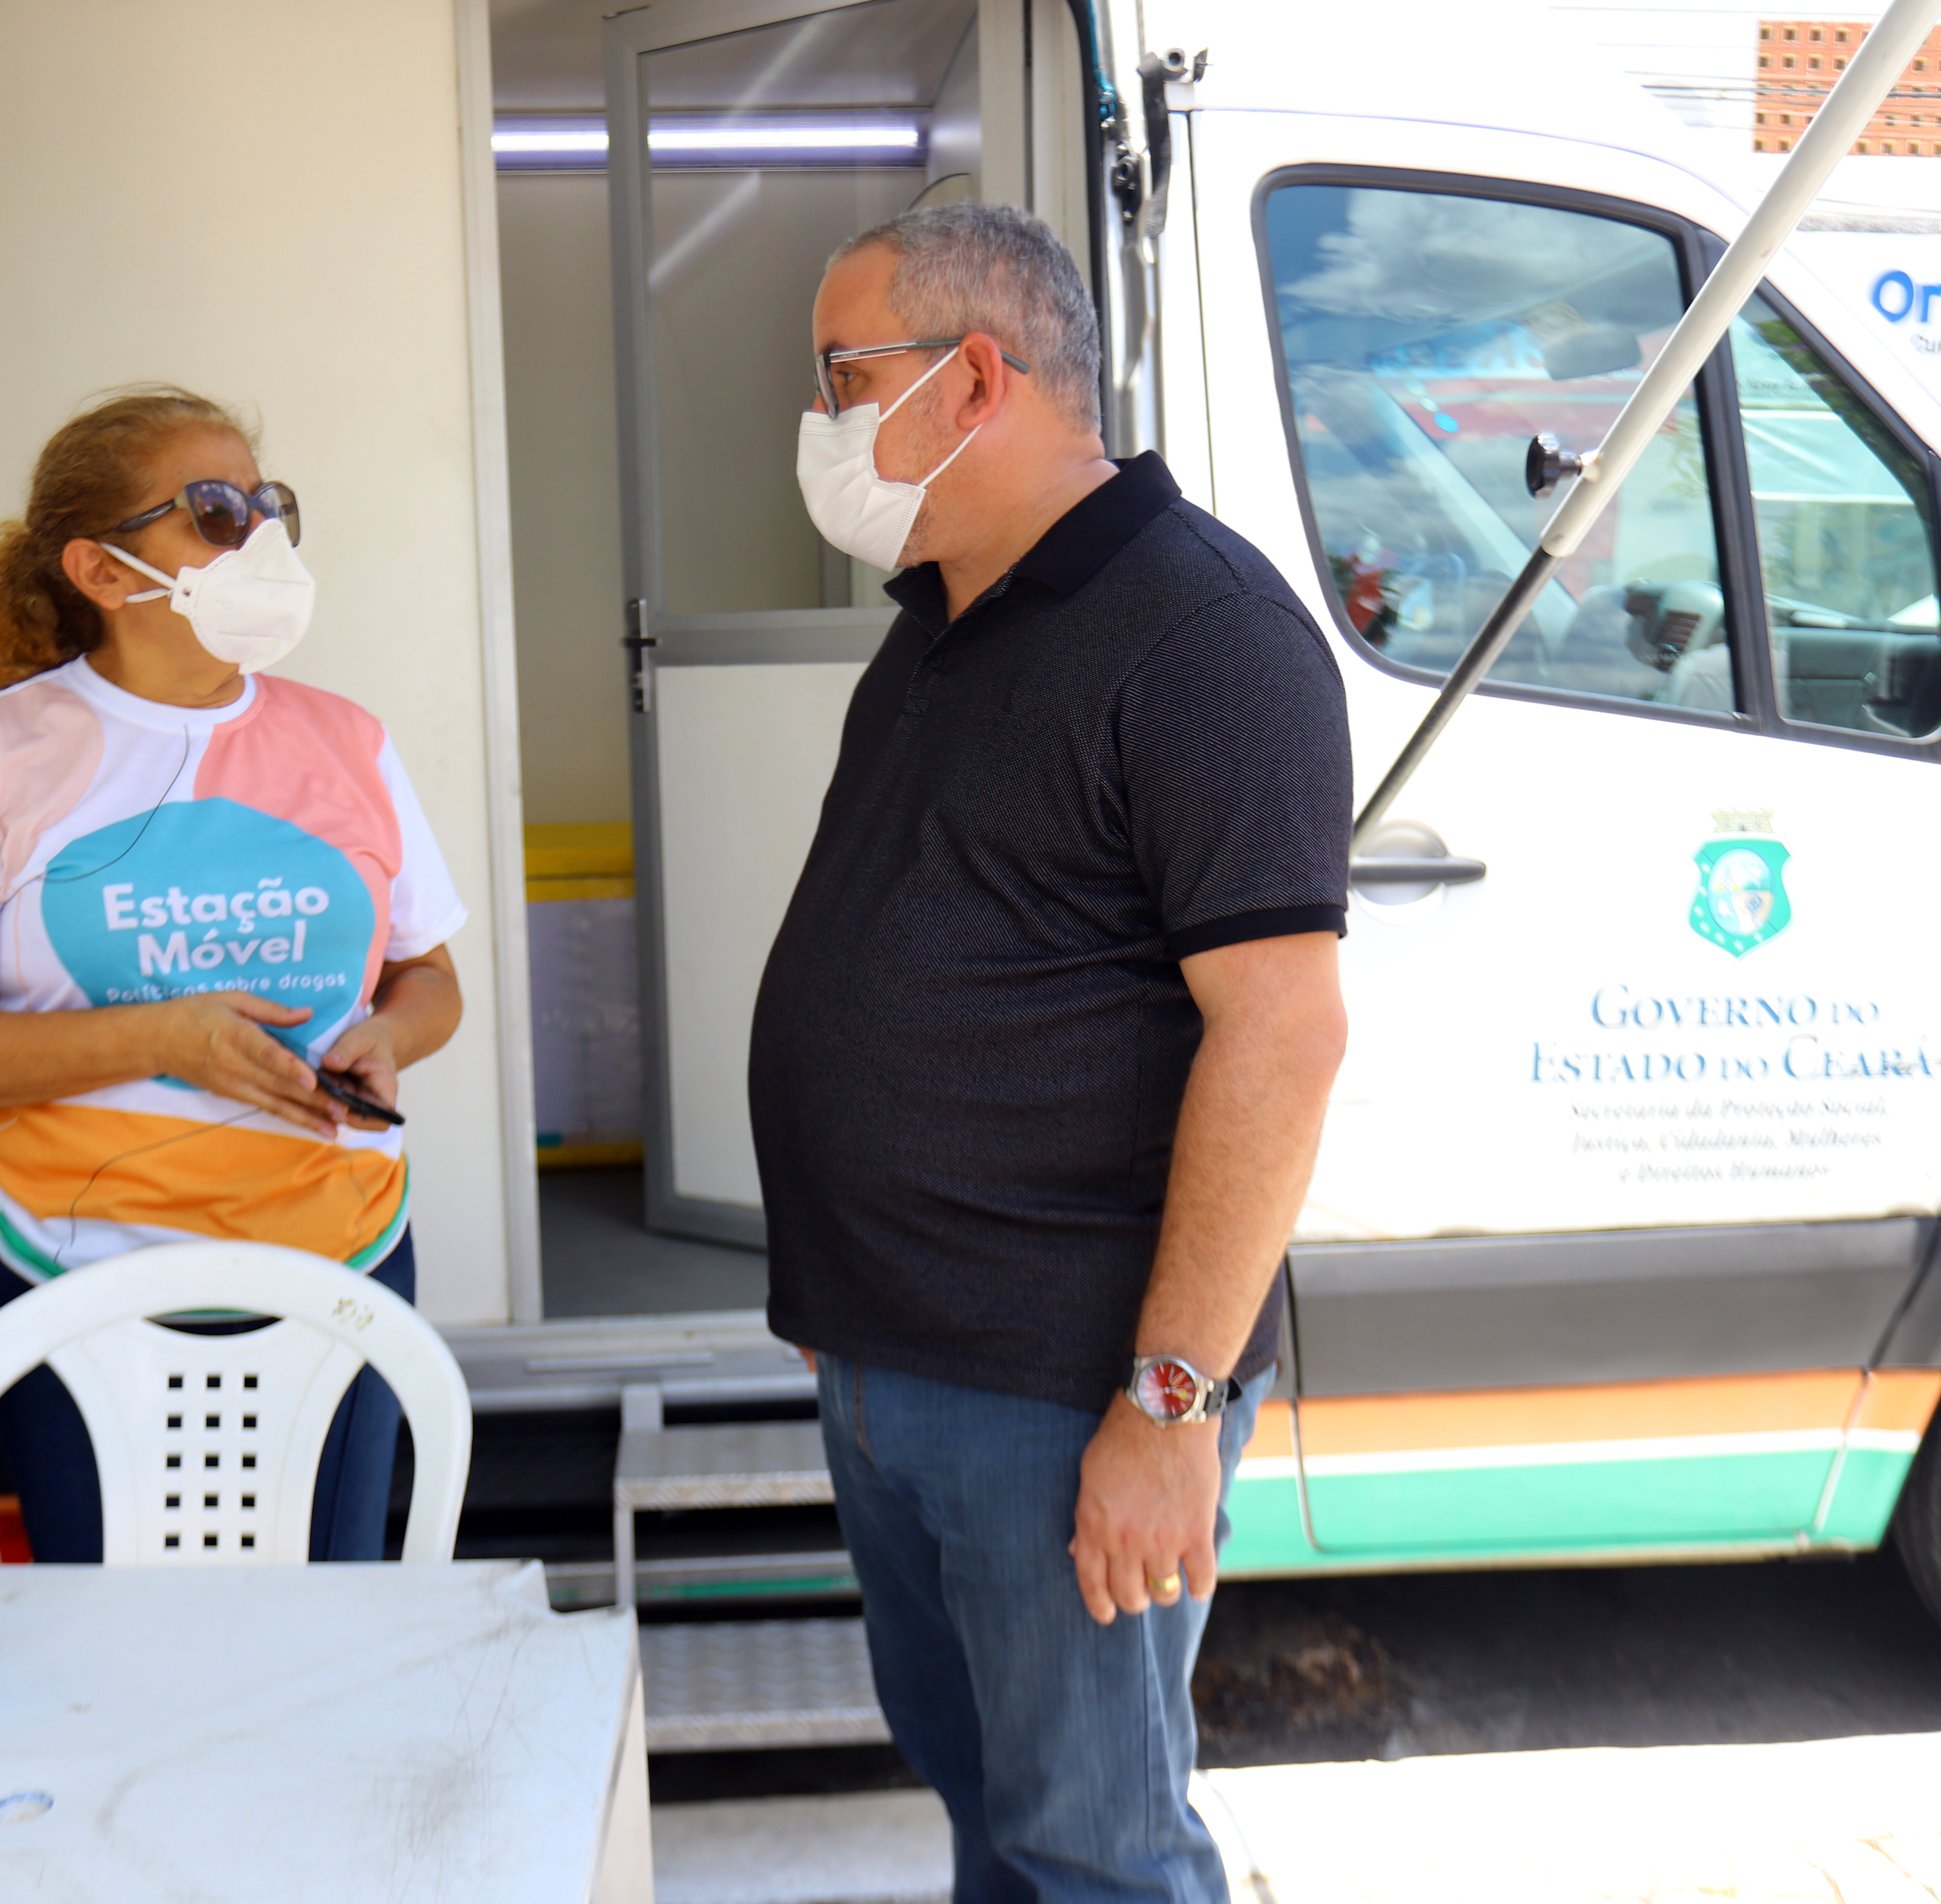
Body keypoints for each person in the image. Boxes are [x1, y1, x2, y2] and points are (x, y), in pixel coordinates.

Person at [749, 206, 1351, 1902]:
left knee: (1095, 1849)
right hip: (895, 1358)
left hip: (1059, 1383)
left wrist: (1168, 1407)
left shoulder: (1201, 632)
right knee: (987, 1807)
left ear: (974, 379)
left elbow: (1283, 1034)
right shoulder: (941, 619)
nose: (821, 423)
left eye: (843, 378)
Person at [0, 386, 466, 1563]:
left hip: (341, 1265)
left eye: (270, 506)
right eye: (217, 512)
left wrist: (388, 1036)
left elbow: (429, 978)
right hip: (84, 1282)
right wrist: (159, 1038)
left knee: (330, 1623)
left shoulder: (348, 739)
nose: (262, 538)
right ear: (100, 569)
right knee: (112, 1644)